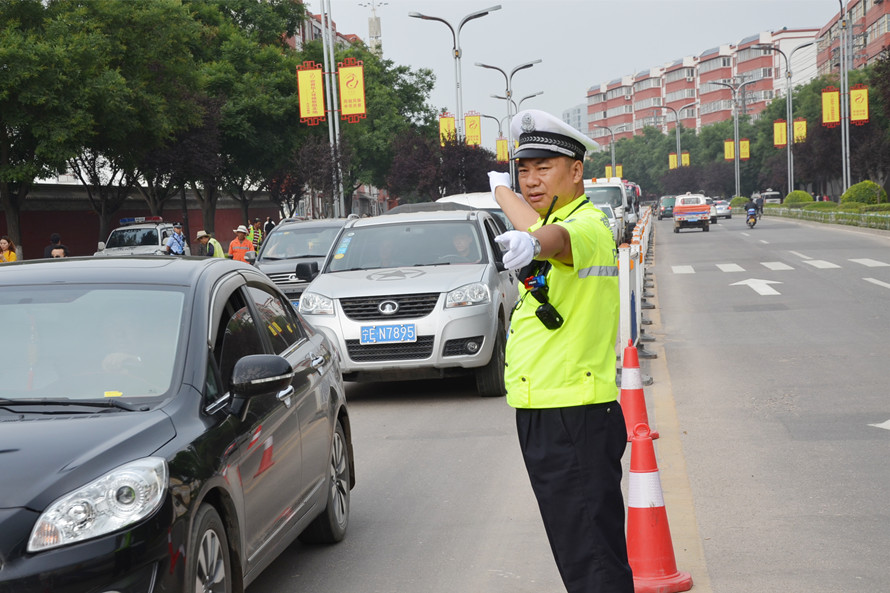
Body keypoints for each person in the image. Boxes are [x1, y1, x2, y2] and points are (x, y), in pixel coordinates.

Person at [488, 109, 633, 593]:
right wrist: (503, 192)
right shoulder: (554, 213)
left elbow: (555, 239)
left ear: (576, 171)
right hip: (554, 411)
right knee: (582, 553)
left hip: (572, 416)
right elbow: (536, 221)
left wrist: (533, 245)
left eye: (543, 168)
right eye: (523, 169)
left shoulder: (585, 226)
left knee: (592, 561)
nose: (531, 180)